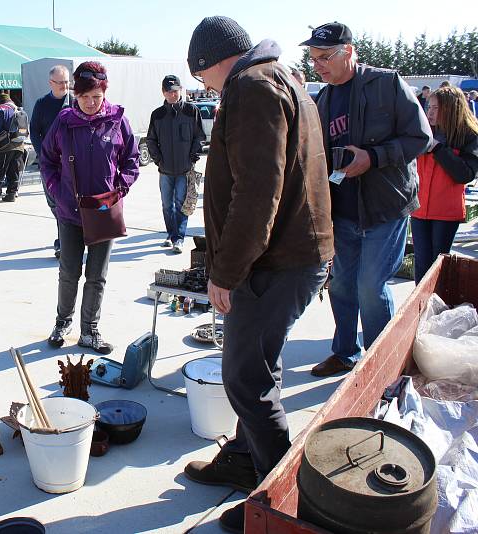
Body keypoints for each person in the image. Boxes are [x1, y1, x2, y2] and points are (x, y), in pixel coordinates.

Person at [182, 17, 334, 532]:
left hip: (277, 261)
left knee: (246, 376)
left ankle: (280, 500)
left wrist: (224, 271)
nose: (204, 87)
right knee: (258, 365)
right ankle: (248, 456)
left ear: (211, 63)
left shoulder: (250, 87)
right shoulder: (281, 77)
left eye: (202, 78)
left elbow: (258, 191)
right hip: (291, 255)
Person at [301, 22, 432, 378]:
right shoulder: (323, 99)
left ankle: (380, 365)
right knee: (342, 284)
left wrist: (372, 158)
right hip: (343, 212)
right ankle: (345, 353)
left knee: (370, 287)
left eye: (325, 56)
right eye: (313, 59)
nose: (318, 65)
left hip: (384, 208)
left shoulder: (386, 84)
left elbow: (421, 137)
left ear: (350, 51)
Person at [39, 61, 140, 354]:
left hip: (104, 212)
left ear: (104, 92)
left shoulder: (117, 120)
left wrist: (120, 188)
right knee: (69, 271)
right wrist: (58, 193)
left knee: (97, 275)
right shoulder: (65, 121)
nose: (91, 103)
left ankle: (90, 329)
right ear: (76, 95)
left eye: (96, 96)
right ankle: (62, 321)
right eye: (85, 97)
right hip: (70, 212)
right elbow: (47, 160)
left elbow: (131, 160)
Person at [411, 86, 478, 282]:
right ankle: (420, 308)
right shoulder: (423, 132)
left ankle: (438, 307)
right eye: (428, 107)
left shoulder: (468, 136)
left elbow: (465, 174)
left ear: (450, 109)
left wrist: (438, 149)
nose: (428, 112)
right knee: (421, 263)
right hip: (419, 209)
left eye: (434, 108)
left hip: (446, 213)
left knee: (439, 266)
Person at [145, 74, 204, 253]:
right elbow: (151, 140)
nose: (173, 95)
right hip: (165, 170)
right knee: (166, 204)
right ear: (163, 92)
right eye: (169, 91)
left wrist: (192, 157)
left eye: (175, 91)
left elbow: (199, 137)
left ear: (180, 90)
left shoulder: (191, 111)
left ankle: (179, 238)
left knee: (181, 204)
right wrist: (158, 160)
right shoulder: (157, 115)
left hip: (185, 169)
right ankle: (170, 235)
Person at [30, 65, 73, 258]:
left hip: (72, 163)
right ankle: (64, 237)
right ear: (50, 83)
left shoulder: (75, 102)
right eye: (60, 82)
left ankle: (65, 242)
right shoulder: (42, 104)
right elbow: (34, 132)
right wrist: (44, 154)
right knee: (54, 204)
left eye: (66, 82)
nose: (65, 86)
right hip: (50, 164)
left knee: (67, 203)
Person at [0, 93, 28, 203]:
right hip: (19, 144)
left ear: (0, 101)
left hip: (4, 146)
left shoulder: (1, 109)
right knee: (14, 170)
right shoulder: (19, 109)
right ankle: (11, 193)